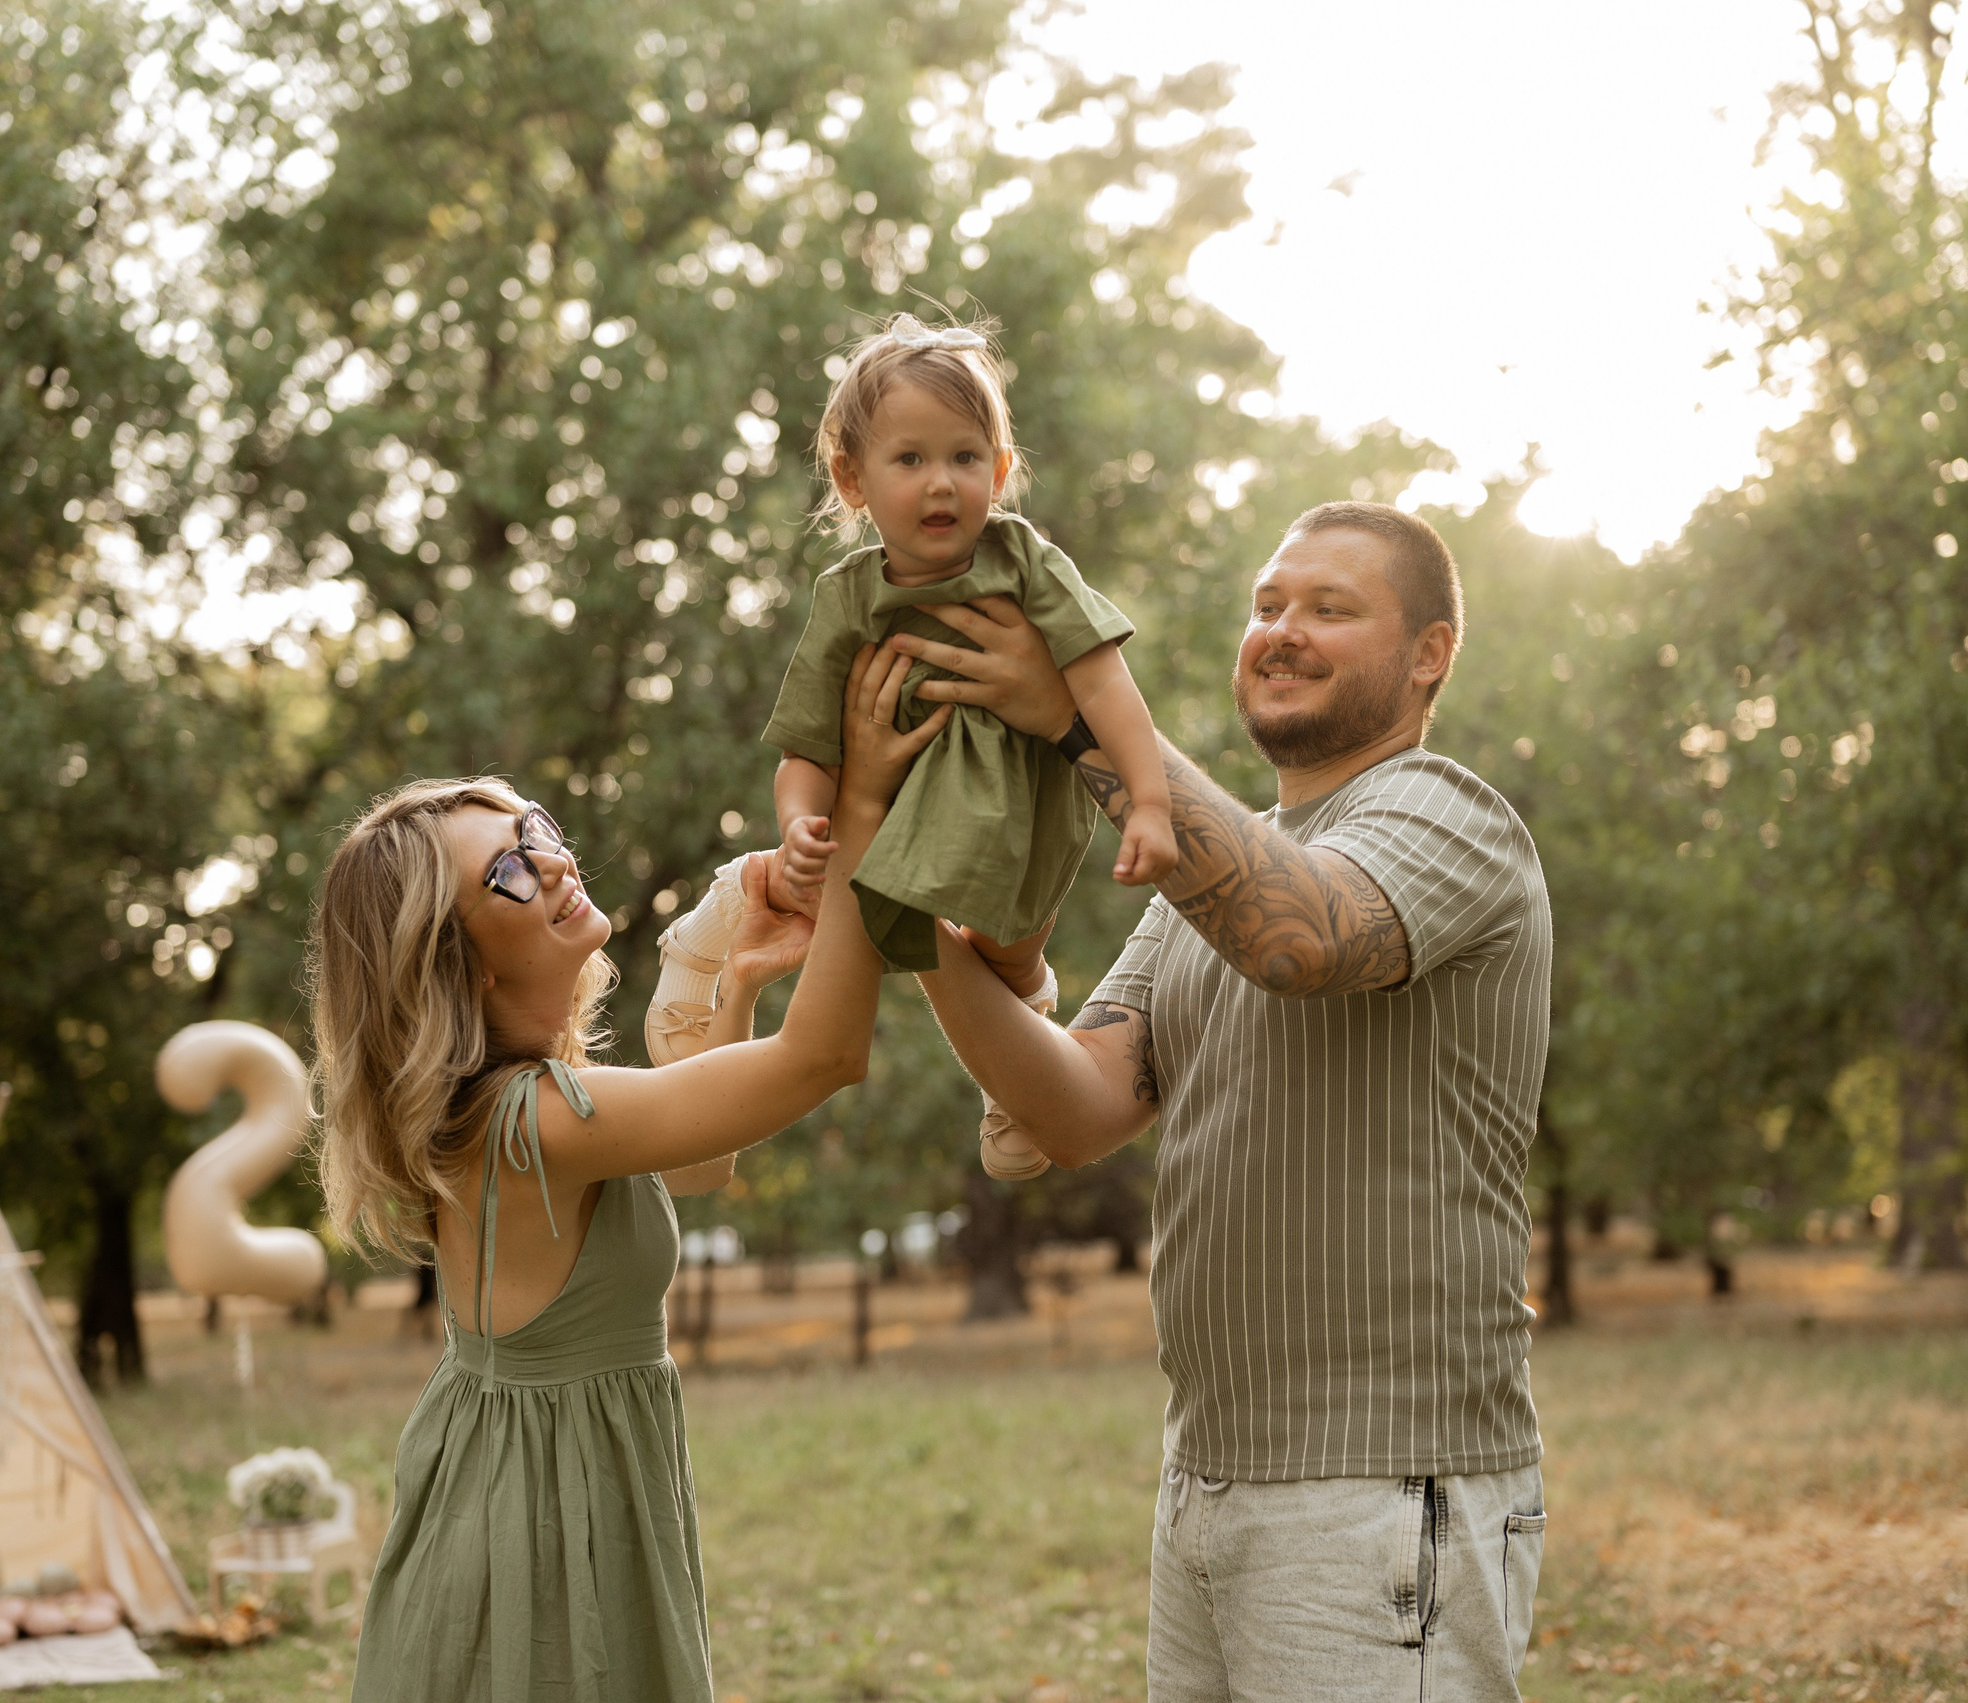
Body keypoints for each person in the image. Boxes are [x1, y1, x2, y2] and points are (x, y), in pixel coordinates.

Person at [893, 502, 1554, 1701]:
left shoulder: (1450, 816)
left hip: (1382, 1488)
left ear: (1429, 654)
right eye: (1266, 605)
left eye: (1330, 608)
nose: (1281, 631)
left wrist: (1078, 718)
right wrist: (907, 910)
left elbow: (1300, 937)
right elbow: (1064, 1116)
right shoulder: (1199, 884)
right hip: (1204, 1484)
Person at [311, 647, 942, 1702]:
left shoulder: (539, 1098)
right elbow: (824, 1059)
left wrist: (734, 978)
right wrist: (866, 807)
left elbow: (696, 1160)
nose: (552, 862)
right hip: (540, 1516)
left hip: (551, 1482)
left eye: (536, 832)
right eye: (506, 871)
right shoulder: (529, 1120)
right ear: (453, 960)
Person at [759, 311, 1174, 1181]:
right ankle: (711, 964)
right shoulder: (847, 597)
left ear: (1002, 469)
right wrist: (801, 820)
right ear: (852, 478)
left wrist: (1151, 800)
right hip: (900, 811)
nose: (941, 483)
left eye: (964, 456)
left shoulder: (1024, 561)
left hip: (1021, 805)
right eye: (910, 459)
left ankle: (1024, 1025)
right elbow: (807, 743)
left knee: (1007, 944)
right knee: (874, 927)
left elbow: (1101, 682)